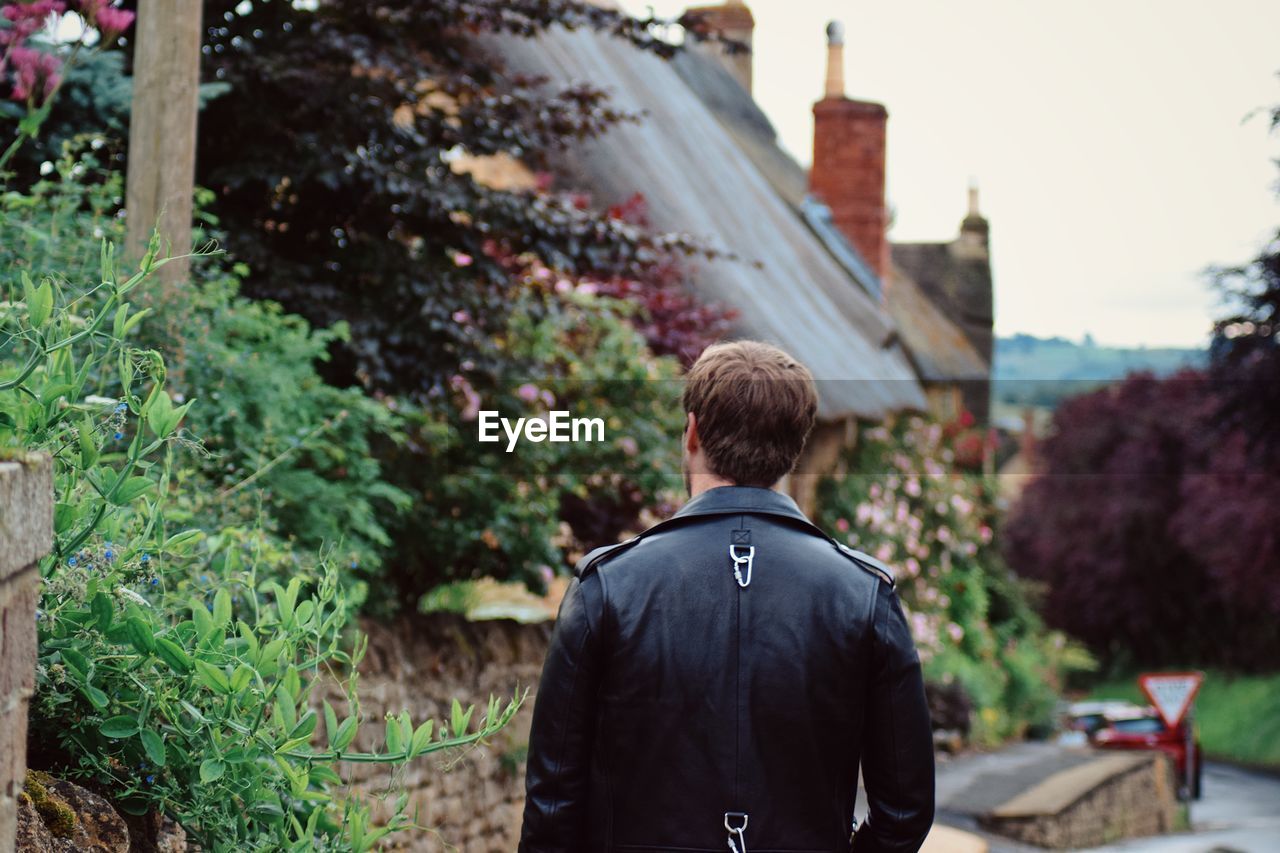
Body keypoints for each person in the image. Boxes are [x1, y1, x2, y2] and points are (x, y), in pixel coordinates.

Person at [519, 340, 935, 853]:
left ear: (691, 431)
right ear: (794, 447)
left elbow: (552, 807)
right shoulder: (864, 594)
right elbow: (904, 812)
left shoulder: (607, 585)